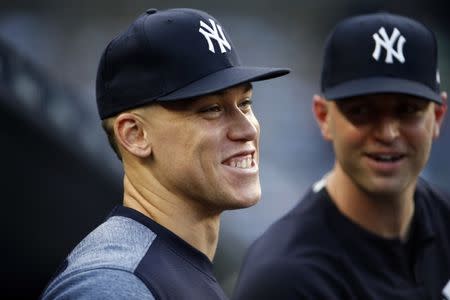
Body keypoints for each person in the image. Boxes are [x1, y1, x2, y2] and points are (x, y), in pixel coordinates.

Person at [40, 8, 289, 300]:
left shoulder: (167, 268)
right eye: (212, 109)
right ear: (135, 135)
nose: (246, 129)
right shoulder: (115, 284)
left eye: (245, 103)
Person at [233, 11, 450, 300]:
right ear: (323, 117)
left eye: (407, 110)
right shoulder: (285, 279)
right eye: (361, 111)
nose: (387, 133)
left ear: (437, 117)